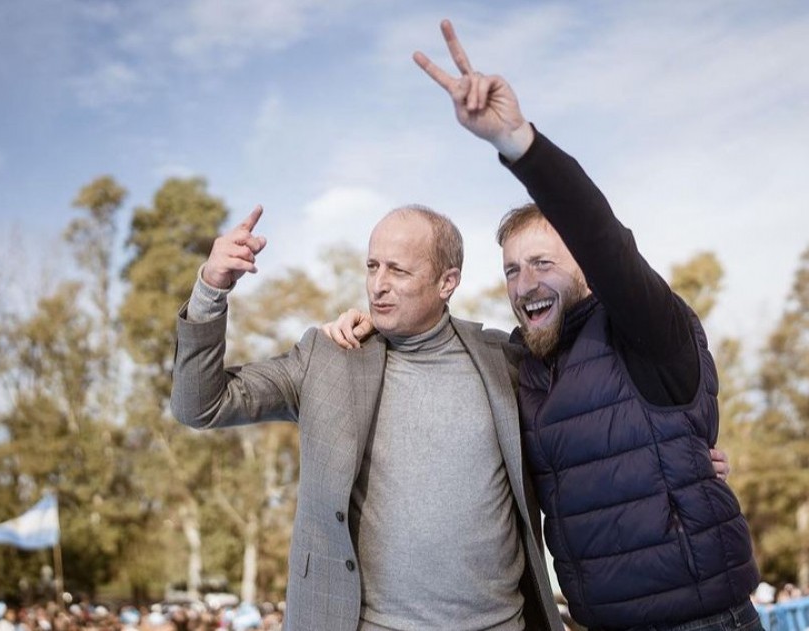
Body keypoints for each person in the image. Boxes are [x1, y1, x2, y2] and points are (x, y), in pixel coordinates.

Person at [330, 19, 760, 631]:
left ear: (584, 268)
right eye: (510, 271)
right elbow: (445, 357)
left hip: (703, 621)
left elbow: (603, 237)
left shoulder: (646, 328)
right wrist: (376, 320)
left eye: (542, 264)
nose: (525, 283)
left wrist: (518, 143)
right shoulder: (522, 364)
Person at [171, 205, 563, 630]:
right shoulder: (328, 359)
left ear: (447, 282)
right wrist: (211, 289)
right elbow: (200, 405)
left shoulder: (505, 360)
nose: (378, 286)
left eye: (398, 271)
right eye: (372, 266)